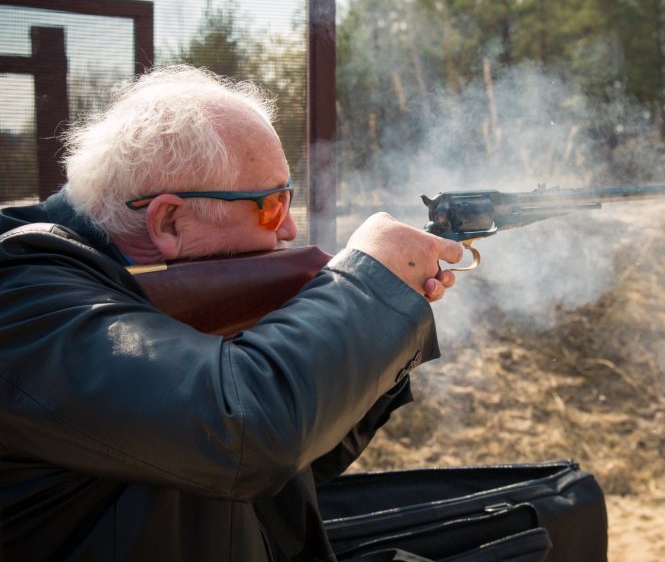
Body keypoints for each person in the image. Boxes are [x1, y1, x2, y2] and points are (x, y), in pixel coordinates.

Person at [0, 65, 464, 561]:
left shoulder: (138, 285)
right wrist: (364, 288)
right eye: (271, 206)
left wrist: (370, 343)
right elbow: (245, 433)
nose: (289, 230)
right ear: (169, 221)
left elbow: (293, 467)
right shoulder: (21, 301)